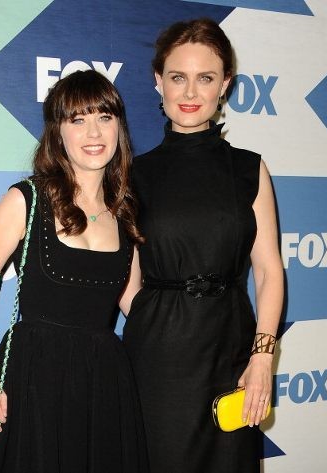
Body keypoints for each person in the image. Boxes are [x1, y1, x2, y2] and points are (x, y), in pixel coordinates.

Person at [0, 70, 148, 473]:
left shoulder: (125, 212)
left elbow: (137, 307)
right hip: (34, 379)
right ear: (57, 132)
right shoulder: (26, 200)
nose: (94, 132)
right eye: (77, 120)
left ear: (119, 127)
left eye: (105, 117)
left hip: (104, 384)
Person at [120, 18, 284, 473]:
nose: (190, 92)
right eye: (178, 77)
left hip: (232, 352)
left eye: (206, 78)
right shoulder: (132, 175)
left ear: (225, 85)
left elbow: (269, 271)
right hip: (158, 360)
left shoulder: (249, 169)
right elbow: (125, 278)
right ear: (158, 81)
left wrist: (262, 358)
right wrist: (158, 320)